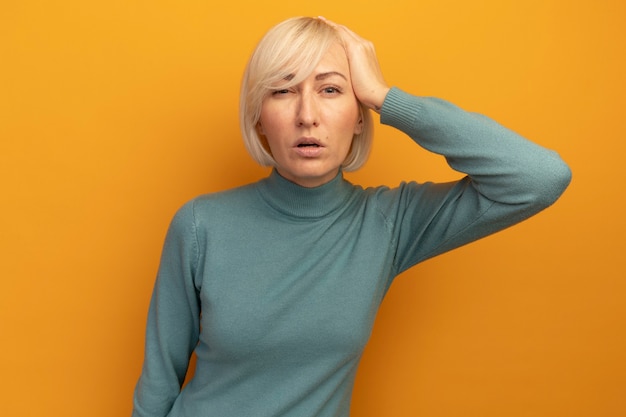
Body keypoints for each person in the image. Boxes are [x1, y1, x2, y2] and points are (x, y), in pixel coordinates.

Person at [131, 16, 571, 417]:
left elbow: (539, 177)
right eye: (283, 90)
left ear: (359, 117)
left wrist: (385, 96)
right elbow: (158, 380)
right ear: (259, 118)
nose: (307, 116)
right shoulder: (199, 224)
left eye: (331, 89)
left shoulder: (386, 224)